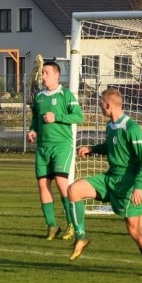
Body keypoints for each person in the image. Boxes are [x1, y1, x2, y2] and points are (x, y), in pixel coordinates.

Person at [67, 88, 142, 277]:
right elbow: (111, 147)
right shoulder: (111, 126)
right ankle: (81, 237)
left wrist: (139, 187)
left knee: (136, 233)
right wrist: (93, 149)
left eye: (100, 103)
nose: (99, 106)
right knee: (74, 190)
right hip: (110, 179)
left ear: (108, 105)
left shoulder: (131, 128)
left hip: (127, 184)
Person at [27, 60, 86, 241]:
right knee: (43, 185)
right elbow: (36, 118)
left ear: (56, 74)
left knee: (62, 183)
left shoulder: (65, 94)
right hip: (43, 148)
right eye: (42, 73)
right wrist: (32, 130)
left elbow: (79, 116)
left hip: (61, 146)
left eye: (46, 73)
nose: (42, 76)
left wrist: (57, 117)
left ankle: (71, 223)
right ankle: (52, 225)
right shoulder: (39, 97)